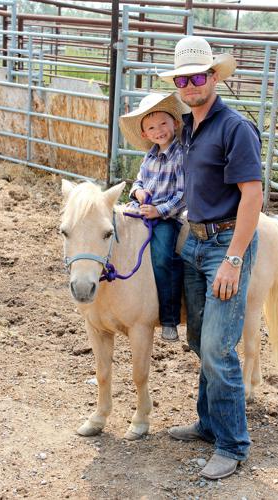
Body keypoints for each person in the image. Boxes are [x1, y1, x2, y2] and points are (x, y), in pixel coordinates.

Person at [159, 36, 263, 479]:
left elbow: (253, 195)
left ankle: (233, 444)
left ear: (214, 77)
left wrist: (234, 259)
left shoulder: (234, 127)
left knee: (219, 349)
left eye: (198, 76)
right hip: (195, 241)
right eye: (182, 78)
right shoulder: (193, 126)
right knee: (201, 343)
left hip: (224, 245)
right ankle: (207, 423)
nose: (189, 84)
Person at [119, 92, 189, 342]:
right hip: (143, 212)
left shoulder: (180, 156)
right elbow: (138, 180)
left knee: (162, 258)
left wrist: (159, 210)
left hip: (166, 218)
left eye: (163, 124)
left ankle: (169, 318)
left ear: (175, 124)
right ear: (145, 134)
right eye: (151, 127)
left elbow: (183, 195)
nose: (158, 130)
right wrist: (138, 191)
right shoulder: (149, 155)